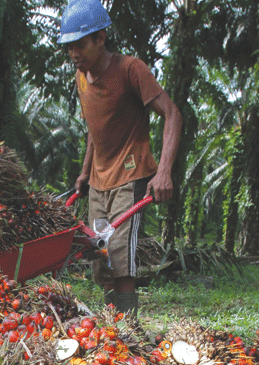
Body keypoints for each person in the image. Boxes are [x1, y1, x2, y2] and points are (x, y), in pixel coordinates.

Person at [58, 0, 182, 314]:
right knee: (100, 260)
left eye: (80, 45)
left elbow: (172, 114)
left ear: (100, 38)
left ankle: (128, 329)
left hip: (131, 174)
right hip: (99, 181)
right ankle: (113, 329)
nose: (74, 54)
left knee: (120, 255)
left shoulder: (130, 70)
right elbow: (94, 127)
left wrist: (163, 170)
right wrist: (85, 172)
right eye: (69, 47)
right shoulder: (82, 77)